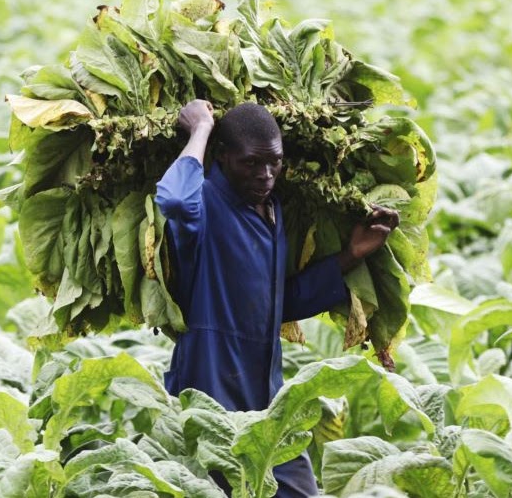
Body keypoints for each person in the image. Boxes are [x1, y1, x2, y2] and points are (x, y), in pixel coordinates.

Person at [155, 99, 399, 497]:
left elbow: (276, 305)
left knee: (299, 490)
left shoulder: (271, 211)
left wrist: (349, 255)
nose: (266, 175)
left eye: (274, 163)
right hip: (209, 382)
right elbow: (175, 199)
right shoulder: (206, 205)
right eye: (251, 163)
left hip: (266, 388)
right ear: (222, 157)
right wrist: (200, 128)